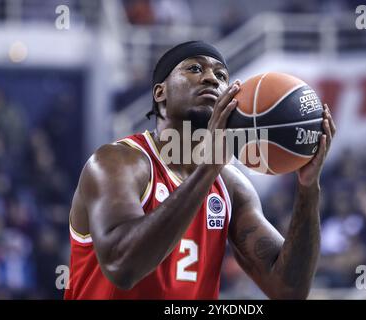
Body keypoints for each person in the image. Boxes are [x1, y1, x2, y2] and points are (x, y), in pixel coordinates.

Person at [64, 41, 336, 299]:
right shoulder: (117, 162)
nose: (211, 79)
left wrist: (308, 188)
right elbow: (121, 267)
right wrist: (208, 168)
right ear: (160, 92)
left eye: (221, 75)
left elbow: (288, 290)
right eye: (194, 68)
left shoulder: (231, 186)